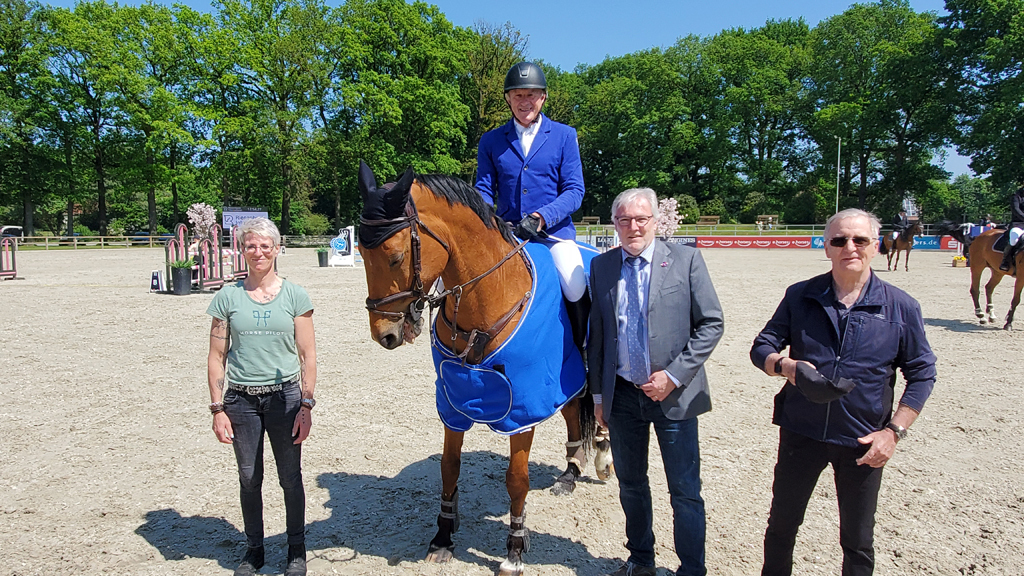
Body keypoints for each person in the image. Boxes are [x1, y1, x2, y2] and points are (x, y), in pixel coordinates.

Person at [750, 208, 937, 576]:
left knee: (858, 540)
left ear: (876, 246)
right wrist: (784, 365)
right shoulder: (800, 295)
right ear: (827, 247)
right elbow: (762, 346)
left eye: (860, 240)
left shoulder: (901, 307)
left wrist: (893, 433)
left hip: (863, 440)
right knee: (781, 528)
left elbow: (922, 373)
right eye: (839, 240)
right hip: (801, 431)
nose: (850, 247)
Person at [588, 187, 725, 576]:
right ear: (615, 224)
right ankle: (641, 560)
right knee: (631, 485)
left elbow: (711, 323)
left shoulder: (686, 259)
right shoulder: (602, 266)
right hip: (622, 397)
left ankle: (691, 570)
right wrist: (598, 396)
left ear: (655, 221)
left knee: (684, 492)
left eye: (641, 219)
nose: (633, 227)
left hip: (674, 396)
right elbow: (598, 336)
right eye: (624, 220)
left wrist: (674, 375)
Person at [206, 217, 317, 576]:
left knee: (290, 477)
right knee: (249, 477)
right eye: (251, 245)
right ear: (242, 250)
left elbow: (308, 355)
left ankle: (296, 550)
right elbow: (216, 356)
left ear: (277, 249)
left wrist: (306, 404)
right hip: (241, 400)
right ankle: (254, 549)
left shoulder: (295, 296)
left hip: (285, 398)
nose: (258, 252)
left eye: (265, 246)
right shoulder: (227, 297)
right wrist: (217, 408)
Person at [476, 61, 587, 304]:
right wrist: (485, 218)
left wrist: (542, 217)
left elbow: (574, 190)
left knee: (575, 285)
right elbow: (484, 188)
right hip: (507, 231)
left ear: (543, 97)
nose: (524, 101)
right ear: (508, 99)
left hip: (552, 233)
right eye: (518, 95)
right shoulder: (491, 140)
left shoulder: (564, 135)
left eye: (531, 95)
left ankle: (585, 331)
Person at [999, 185, 1024, 271]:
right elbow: (1016, 210)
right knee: (1014, 238)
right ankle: (1005, 261)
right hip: (1018, 224)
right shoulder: (1016, 196)